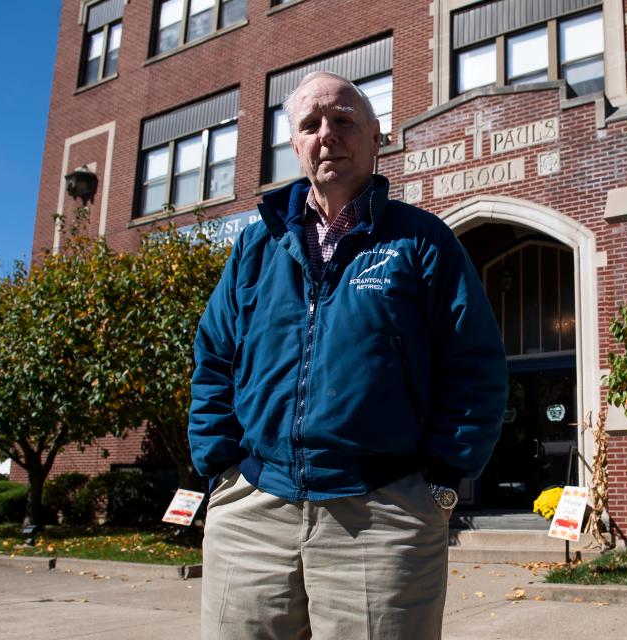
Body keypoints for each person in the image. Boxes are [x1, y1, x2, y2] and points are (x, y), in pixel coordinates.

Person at [189, 71, 507, 639]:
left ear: (375, 137)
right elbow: (214, 357)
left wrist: (440, 481)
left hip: (382, 515)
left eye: (343, 120)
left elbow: (475, 365)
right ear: (294, 145)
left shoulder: (422, 241)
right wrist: (221, 468)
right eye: (311, 125)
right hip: (254, 511)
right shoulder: (256, 246)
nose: (327, 134)